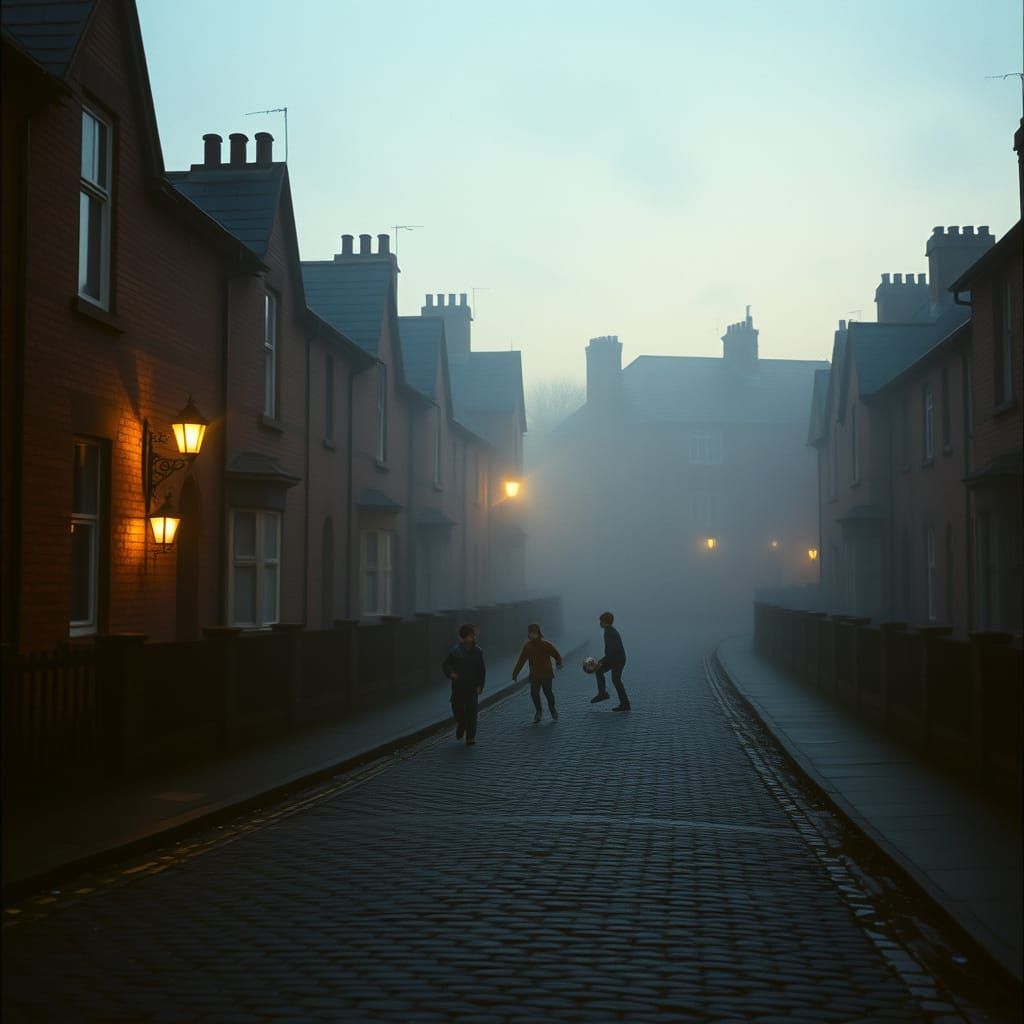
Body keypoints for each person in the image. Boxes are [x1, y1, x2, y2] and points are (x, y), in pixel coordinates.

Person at [442, 623, 486, 746]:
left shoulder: (478, 651)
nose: (471, 638)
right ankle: (461, 724)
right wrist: (451, 673)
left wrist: (480, 685)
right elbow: (446, 665)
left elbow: (481, 670)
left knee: (472, 712)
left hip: (472, 685)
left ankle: (470, 737)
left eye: (473, 636)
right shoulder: (455, 651)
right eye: (469, 636)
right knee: (457, 709)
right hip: (458, 686)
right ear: (463, 637)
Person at [511, 623, 563, 723]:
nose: (530, 635)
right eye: (529, 633)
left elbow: (556, 654)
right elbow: (521, 660)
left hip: (546, 674)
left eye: (532, 633)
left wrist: (559, 662)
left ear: (537, 633)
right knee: (534, 693)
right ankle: (538, 712)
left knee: (548, 693)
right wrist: (515, 673)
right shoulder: (527, 646)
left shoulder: (545, 644)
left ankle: (553, 710)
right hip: (534, 675)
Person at [591, 611, 630, 711]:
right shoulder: (609, 631)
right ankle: (624, 704)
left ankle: (604, 694)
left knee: (613, 679)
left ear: (605, 622)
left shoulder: (609, 633)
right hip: (617, 658)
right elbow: (610, 651)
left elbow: (611, 650)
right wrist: (603, 661)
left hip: (617, 660)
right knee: (614, 679)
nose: (599, 623)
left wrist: (602, 662)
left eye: (601, 621)